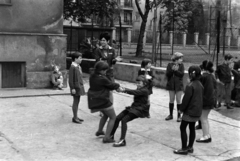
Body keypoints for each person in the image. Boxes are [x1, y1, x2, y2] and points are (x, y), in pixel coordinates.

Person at [110, 75, 151, 147]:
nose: (137, 84)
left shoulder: (145, 90)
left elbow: (134, 92)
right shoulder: (140, 88)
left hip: (140, 109)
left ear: (144, 83)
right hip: (133, 107)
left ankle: (122, 140)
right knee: (117, 118)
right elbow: (134, 91)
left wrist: (123, 89)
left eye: (139, 83)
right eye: (137, 83)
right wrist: (123, 89)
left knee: (124, 120)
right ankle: (111, 136)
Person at [87, 61, 120, 143]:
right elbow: (111, 85)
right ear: (101, 70)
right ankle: (107, 137)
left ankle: (100, 131)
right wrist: (118, 86)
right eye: (105, 70)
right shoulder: (102, 78)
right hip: (102, 100)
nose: (105, 72)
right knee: (113, 117)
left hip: (95, 100)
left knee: (105, 115)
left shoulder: (93, 75)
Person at [174, 66, 203, 155]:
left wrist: (181, 110)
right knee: (191, 128)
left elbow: (186, 100)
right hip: (197, 111)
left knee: (182, 127)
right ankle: (190, 147)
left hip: (189, 111)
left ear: (191, 74)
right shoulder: (200, 84)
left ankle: (184, 148)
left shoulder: (190, 86)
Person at [195, 60, 216, 143]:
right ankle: (207, 135)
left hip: (205, 100)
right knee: (205, 119)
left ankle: (205, 136)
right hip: (210, 100)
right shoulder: (211, 76)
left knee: (203, 119)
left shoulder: (203, 77)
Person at [165, 52, 184, 122]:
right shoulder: (169, 65)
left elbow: (181, 74)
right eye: (180, 58)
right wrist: (172, 70)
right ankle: (170, 115)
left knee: (179, 100)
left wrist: (176, 71)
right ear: (176, 59)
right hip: (171, 85)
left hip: (179, 85)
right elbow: (168, 74)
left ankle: (179, 116)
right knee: (171, 99)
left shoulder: (181, 65)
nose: (181, 60)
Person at [69, 52, 85, 124]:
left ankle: (76, 116)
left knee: (77, 101)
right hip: (75, 87)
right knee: (75, 102)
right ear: (75, 59)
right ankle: (75, 117)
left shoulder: (78, 66)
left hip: (79, 86)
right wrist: (72, 88)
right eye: (80, 58)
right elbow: (71, 79)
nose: (81, 59)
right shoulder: (73, 67)